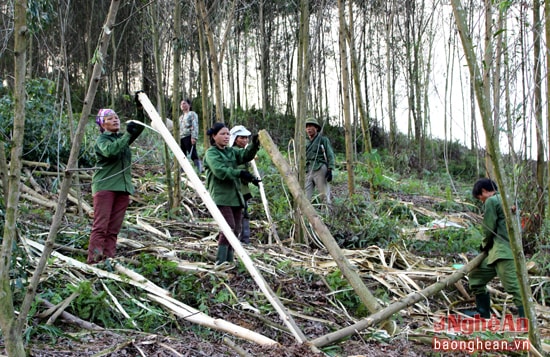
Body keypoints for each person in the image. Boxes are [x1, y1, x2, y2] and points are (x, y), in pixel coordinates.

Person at [87, 97, 145, 264]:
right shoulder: (102, 141)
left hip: (122, 188)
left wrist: (140, 110)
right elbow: (111, 151)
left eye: (116, 117)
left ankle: (109, 260)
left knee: (113, 229)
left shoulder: (122, 139)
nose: (115, 120)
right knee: (101, 227)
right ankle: (94, 261)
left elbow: (139, 128)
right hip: (105, 187)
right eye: (110, 118)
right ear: (102, 124)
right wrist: (128, 133)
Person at [204, 123, 261, 264]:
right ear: (214, 136)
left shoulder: (231, 151)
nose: (226, 136)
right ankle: (221, 261)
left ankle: (229, 261)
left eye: (228, 134)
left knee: (236, 229)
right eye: (222, 134)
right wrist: (240, 173)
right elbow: (220, 171)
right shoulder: (211, 153)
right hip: (221, 196)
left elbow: (245, 155)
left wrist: (254, 144)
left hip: (235, 196)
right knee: (228, 227)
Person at [467, 178, 524, 317]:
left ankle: (526, 320)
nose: (481, 201)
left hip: (504, 252)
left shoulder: (492, 201)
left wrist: (483, 245)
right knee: (476, 278)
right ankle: (483, 313)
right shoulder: (509, 200)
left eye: (480, 197)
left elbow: (488, 228)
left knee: (513, 287)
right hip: (497, 252)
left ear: (484, 191)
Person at [230, 125, 253, 244]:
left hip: (243, 189)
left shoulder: (242, 152)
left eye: (246, 138)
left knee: (244, 214)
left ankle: (245, 239)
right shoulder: (233, 151)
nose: (245, 140)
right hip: (235, 190)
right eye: (242, 138)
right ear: (235, 139)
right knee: (238, 215)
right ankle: (239, 240)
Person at [305, 117, 335, 204]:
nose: (309, 129)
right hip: (308, 169)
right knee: (306, 197)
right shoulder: (305, 142)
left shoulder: (323, 140)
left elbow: (330, 154)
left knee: (324, 195)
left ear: (316, 128)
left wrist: (330, 169)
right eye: (307, 127)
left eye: (311, 126)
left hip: (320, 168)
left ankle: (327, 214)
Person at [178, 98, 202, 172]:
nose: (183, 105)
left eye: (184, 103)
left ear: (189, 105)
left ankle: (199, 169)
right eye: (181, 104)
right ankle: (183, 170)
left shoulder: (192, 114)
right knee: (182, 154)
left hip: (189, 136)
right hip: (181, 137)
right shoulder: (181, 117)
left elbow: (195, 125)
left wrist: (194, 137)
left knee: (192, 153)